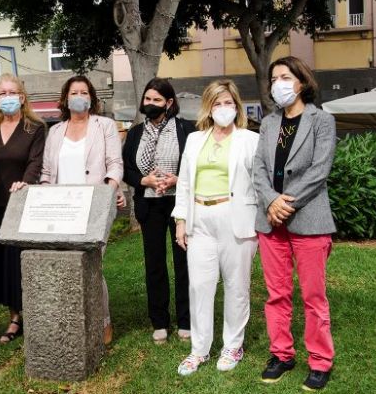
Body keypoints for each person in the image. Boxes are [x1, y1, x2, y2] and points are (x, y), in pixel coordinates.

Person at [253, 56, 336, 391]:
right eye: (274, 79)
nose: (278, 84)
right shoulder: (268, 123)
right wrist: (270, 200)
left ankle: (320, 361)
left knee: (313, 296)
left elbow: (320, 169)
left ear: (302, 81)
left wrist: (285, 203)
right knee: (277, 294)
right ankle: (282, 354)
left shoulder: (321, 120)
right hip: (270, 221)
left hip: (308, 219)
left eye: (285, 77)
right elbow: (258, 167)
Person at [172, 79, 259, 376]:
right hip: (200, 218)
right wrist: (181, 220)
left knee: (237, 287)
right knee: (199, 286)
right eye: (218, 103)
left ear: (237, 106)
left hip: (236, 218)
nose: (224, 109)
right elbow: (183, 182)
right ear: (208, 108)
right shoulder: (196, 140)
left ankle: (233, 345)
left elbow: (260, 184)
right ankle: (199, 350)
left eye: (229, 103)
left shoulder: (250, 139)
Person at [41, 75, 124, 345]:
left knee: (91, 266)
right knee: (65, 268)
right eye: (74, 92)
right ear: (65, 99)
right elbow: (46, 172)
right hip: (62, 210)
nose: (80, 96)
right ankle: (71, 322)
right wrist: (43, 198)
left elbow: (114, 165)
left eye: (84, 92)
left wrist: (107, 194)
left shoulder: (104, 125)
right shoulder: (55, 131)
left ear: (92, 98)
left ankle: (103, 322)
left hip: (95, 207)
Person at [122, 77, 196, 345]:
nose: (150, 104)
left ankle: (186, 319)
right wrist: (145, 181)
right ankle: (160, 321)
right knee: (155, 264)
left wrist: (177, 179)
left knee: (184, 263)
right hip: (149, 204)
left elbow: (194, 165)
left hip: (179, 203)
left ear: (169, 103)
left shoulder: (187, 130)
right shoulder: (135, 133)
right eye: (147, 99)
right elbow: (126, 169)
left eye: (156, 100)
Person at [0, 73, 46, 343]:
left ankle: (33, 312)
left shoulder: (35, 127)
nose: (7, 97)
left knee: (20, 263)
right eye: (2, 93)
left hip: (21, 204)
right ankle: (14, 316)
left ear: (22, 96)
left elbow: (35, 162)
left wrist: (25, 183)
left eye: (12, 92)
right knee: (1, 264)